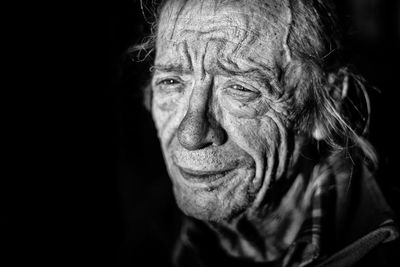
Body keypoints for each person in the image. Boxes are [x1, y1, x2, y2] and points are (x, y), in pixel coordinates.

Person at [129, 0, 399, 266]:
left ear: (327, 100)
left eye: (242, 88)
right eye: (171, 81)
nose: (191, 135)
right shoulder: (141, 235)